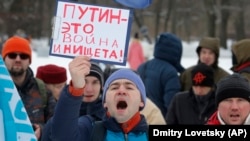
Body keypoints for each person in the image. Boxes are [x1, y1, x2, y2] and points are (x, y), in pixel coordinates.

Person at [51, 56, 148, 141]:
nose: (121, 91)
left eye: (129, 87)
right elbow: (63, 136)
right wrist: (76, 88)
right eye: (114, 87)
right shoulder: (90, 128)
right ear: (105, 102)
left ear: (142, 101)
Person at [1, 36, 55, 140]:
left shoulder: (41, 89)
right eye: (12, 55)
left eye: (23, 56)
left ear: (29, 60)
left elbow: (56, 121)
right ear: (4, 59)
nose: (18, 59)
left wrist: (42, 130)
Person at [41, 62, 106, 141]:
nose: (89, 89)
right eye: (84, 81)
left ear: (102, 86)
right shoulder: (58, 117)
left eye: (95, 82)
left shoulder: (111, 119)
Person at [137, 32, 185, 117]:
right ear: (176, 51)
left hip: (138, 120)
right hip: (159, 119)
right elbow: (171, 105)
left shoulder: (142, 67)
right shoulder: (171, 73)